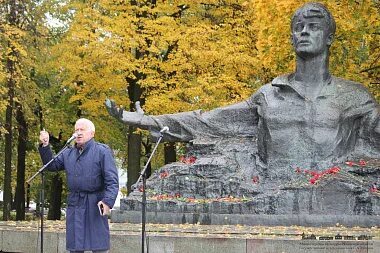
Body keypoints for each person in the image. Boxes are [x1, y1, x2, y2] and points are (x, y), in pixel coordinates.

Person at [106, 3, 379, 173]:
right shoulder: (269, 95)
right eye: (298, 27)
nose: (304, 32)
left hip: (334, 195)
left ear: (330, 37)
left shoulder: (354, 97)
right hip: (270, 191)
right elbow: (208, 121)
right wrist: (144, 120)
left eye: (313, 26)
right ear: (292, 37)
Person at [39, 118, 119, 253]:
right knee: (76, 246)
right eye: (77, 130)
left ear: (92, 133)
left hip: (95, 203)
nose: (79, 133)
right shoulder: (68, 152)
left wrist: (107, 202)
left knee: (98, 245)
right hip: (75, 203)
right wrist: (45, 146)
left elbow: (112, 181)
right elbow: (51, 166)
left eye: (82, 129)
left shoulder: (102, 151)